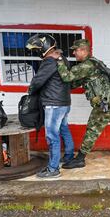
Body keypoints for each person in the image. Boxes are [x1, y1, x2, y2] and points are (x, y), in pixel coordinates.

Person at [51, 39, 110, 170]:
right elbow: (79, 81)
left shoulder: (86, 66)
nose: (74, 53)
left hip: (105, 105)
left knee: (92, 130)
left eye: (76, 50)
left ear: (83, 51)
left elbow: (67, 77)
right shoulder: (95, 63)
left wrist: (59, 59)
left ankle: (80, 159)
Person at [26, 33, 74, 178]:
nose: (36, 52)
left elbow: (38, 81)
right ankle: (69, 156)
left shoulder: (49, 62)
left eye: (36, 50)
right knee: (64, 128)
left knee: (52, 135)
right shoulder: (61, 58)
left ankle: (53, 169)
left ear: (44, 47)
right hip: (64, 102)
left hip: (53, 104)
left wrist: (30, 91)